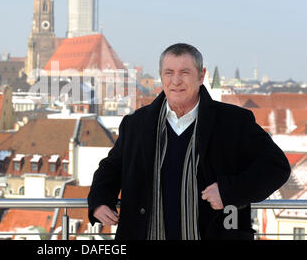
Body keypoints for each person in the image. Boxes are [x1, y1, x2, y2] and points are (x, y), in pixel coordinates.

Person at [87, 43, 291, 240]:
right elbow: (110, 169)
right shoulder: (136, 124)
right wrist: (100, 200)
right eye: (169, 72)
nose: (176, 80)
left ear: (201, 76)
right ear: (161, 77)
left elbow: (277, 167)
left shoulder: (233, 122)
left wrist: (230, 191)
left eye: (184, 72)